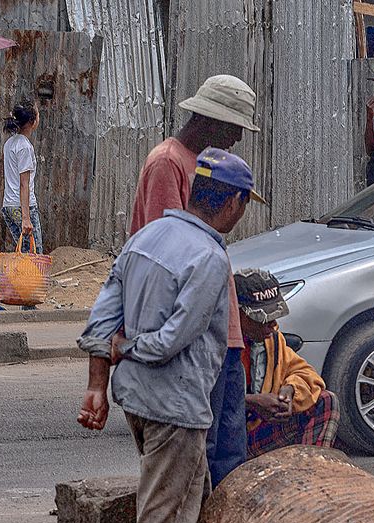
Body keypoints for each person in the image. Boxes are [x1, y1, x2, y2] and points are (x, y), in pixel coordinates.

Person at [77, 149, 263, 523]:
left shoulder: (146, 238)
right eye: (244, 203)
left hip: (137, 396)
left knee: (172, 503)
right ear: (234, 203)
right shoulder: (207, 256)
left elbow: (99, 321)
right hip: (173, 401)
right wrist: (129, 347)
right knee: (165, 514)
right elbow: (172, 339)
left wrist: (107, 367)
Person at [129, 74, 261, 488]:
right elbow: (169, 255)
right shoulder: (168, 162)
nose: (238, 137)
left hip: (219, 332)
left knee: (227, 455)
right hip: (194, 337)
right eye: (236, 127)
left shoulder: (200, 164)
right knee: (198, 458)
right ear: (214, 122)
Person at [234, 268, 340, 456]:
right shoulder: (216, 346)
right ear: (238, 315)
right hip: (226, 442)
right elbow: (203, 404)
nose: (272, 326)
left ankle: (311, 472)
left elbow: (305, 373)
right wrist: (250, 402)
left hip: (257, 435)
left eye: (274, 318)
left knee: (325, 401)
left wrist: (289, 390)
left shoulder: (272, 340)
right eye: (264, 319)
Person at [0, 99, 43, 312]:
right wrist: (26, 217)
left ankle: (25, 303)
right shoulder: (25, 147)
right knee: (32, 257)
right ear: (33, 121)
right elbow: (24, 184)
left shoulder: (11, 143)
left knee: (26, 254)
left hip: (10, 205)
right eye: (37, 113)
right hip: (22, 207)